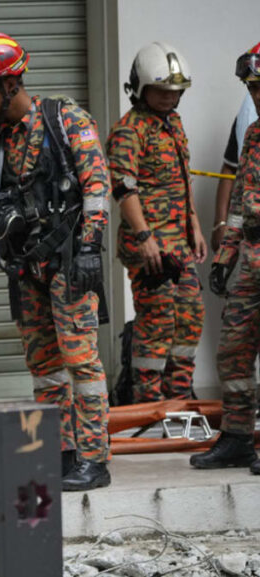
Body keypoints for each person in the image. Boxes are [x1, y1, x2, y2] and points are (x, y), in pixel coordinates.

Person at [0, 33, 111, 491]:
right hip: (26, 268)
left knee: (81, 362)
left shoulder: (64, 119)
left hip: (69, 259)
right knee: (45, 367)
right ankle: (61, 450)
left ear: (10, 84)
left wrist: (91, 247)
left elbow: (96, 186)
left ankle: (94, 459)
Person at [106, 42, 205, 403]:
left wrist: (193, 222)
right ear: (141, 88)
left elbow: (182, 177)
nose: (169, 97)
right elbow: (123, 188)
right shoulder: (129, 131)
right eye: (161, 90)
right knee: (158, 319)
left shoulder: (172, 124)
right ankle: (147, 403)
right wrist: (145, 236)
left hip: (178, 242)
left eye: (175, 91)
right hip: (148, 246)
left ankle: (179, 399)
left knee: (191, 315)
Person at [189, 45, 260, 473]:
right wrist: (224, 255)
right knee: (234, 351)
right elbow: (240, 202)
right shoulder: (254, 136)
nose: (255, 95)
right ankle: (237, 438)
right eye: (250, 87)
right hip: (250, 258)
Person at [212, 43, 260, 252]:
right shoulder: (250, 130)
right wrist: (221, 223)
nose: (257, 96)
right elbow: (232, 169)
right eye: (252, 87)